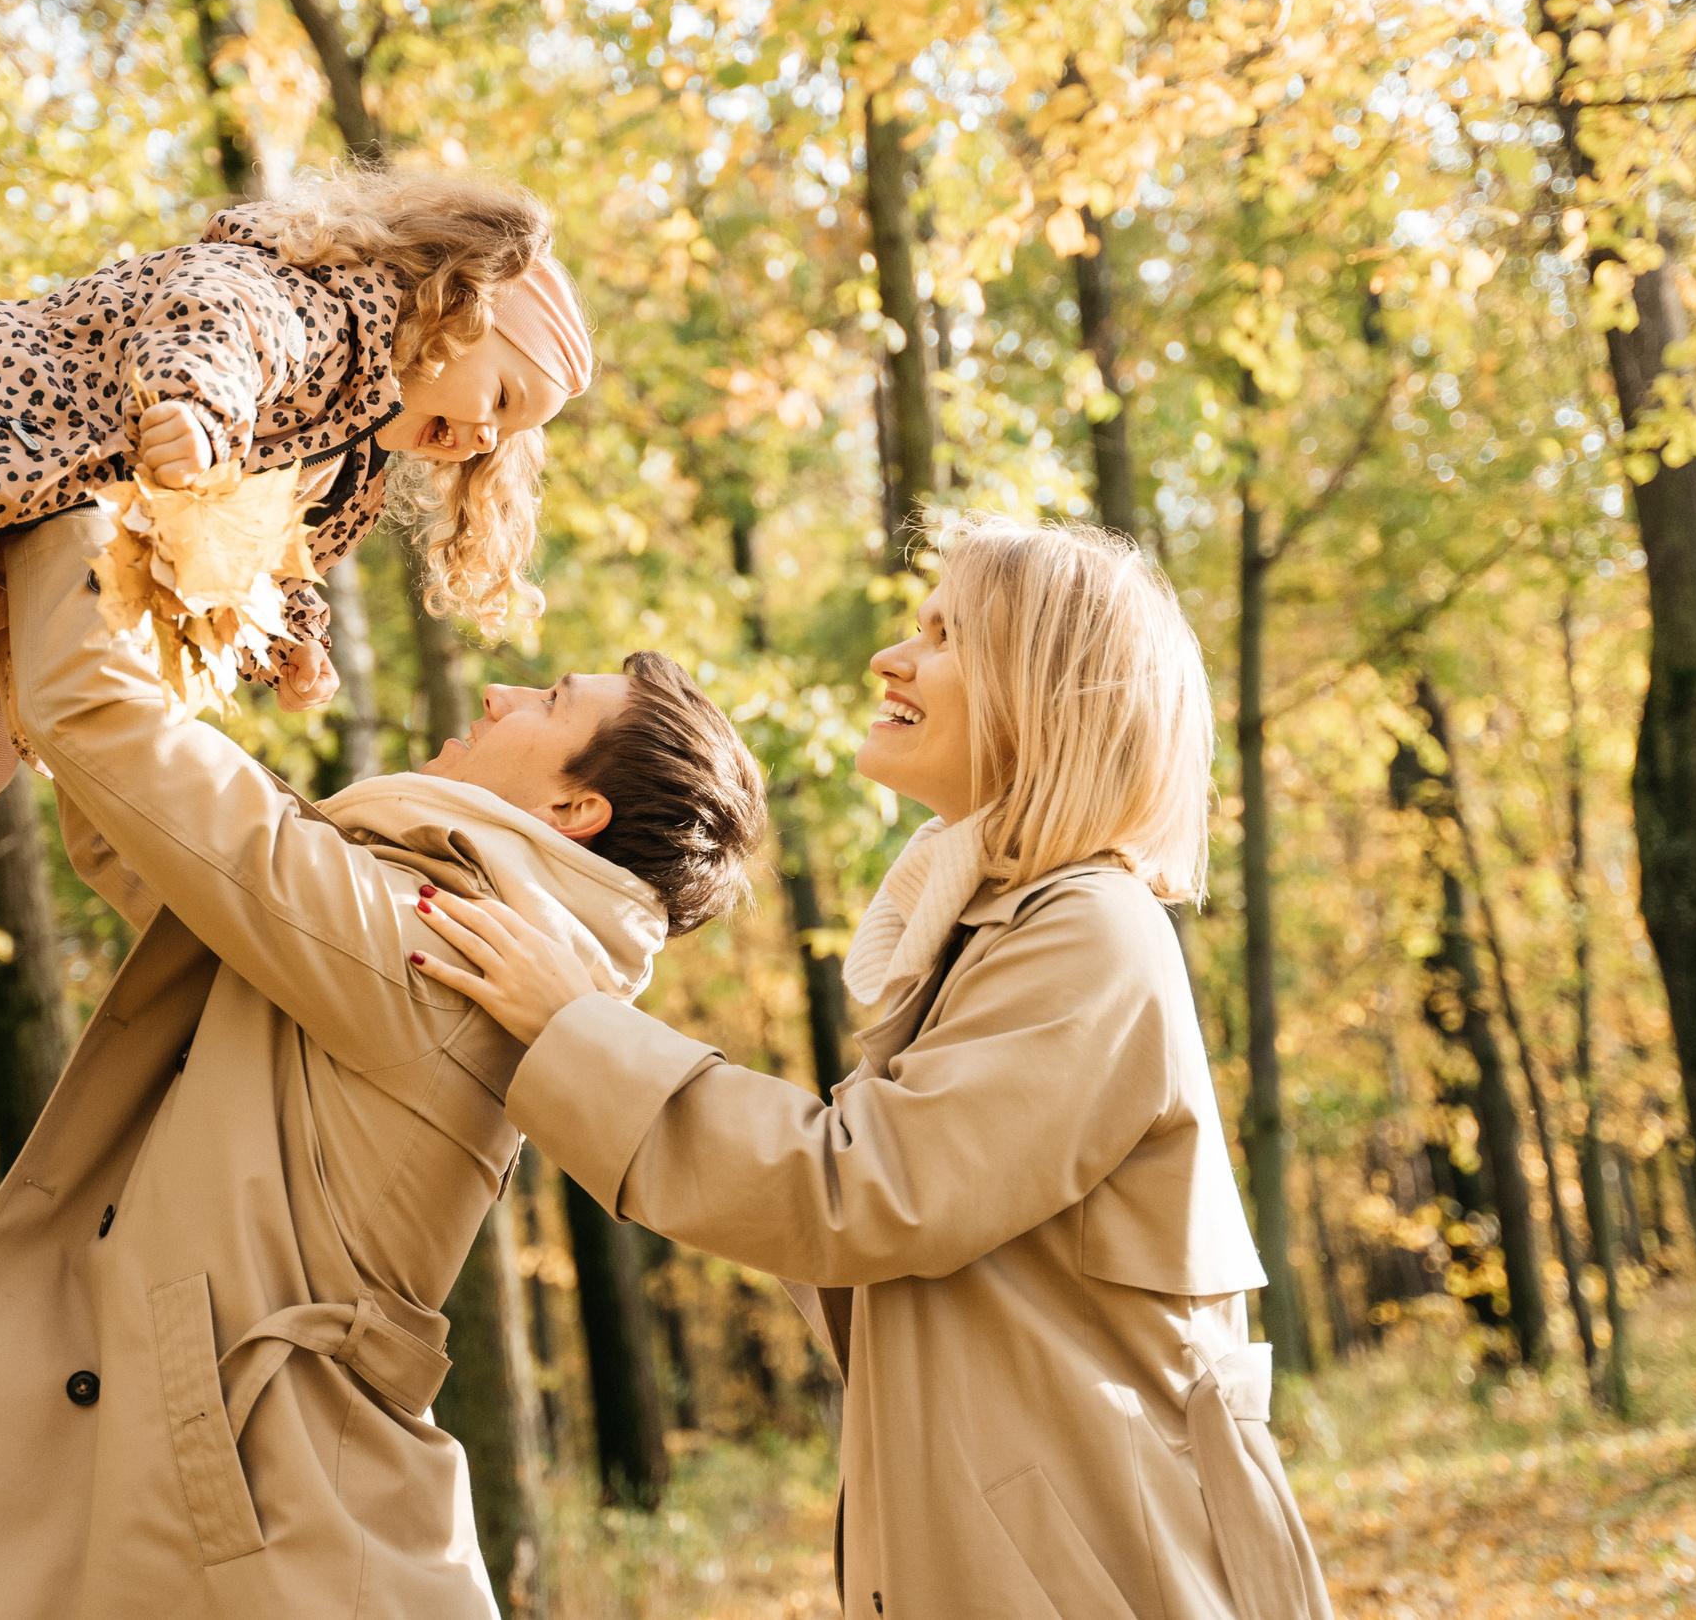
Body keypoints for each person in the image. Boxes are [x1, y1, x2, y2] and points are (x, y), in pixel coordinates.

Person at [0, 504, 768, 1619]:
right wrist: (8, 606)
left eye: (551, 704)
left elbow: (114, 735)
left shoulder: (437, 950)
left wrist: (60, 490)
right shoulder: (422, 912)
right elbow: (135, 832)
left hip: (286, 1539)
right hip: (248, 1500)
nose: (503, 695)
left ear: (574, 808)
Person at [410, 516, 1336, 1620]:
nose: (891, 657)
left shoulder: (1087, 931)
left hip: (1094, 1570)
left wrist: (575, 1029)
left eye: (945, 634)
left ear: (1042, 690)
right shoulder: (985, 943)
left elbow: (860, 1194)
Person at [0, 167, 593, 804]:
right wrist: (201, 412)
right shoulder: (316, 305)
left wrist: (290, 642)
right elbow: (219, 319)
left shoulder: (351, 469)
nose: (479, 436)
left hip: (28, 534)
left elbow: (258, 554)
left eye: (503, 436)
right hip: (0, 421)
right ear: (456, 301)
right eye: (500, 394)